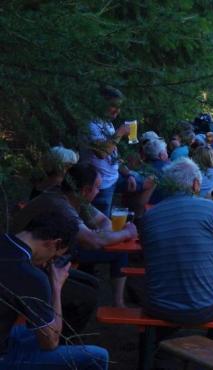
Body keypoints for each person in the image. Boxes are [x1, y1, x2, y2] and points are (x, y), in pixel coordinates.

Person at [13, 163, 137, 309]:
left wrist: (98, 235)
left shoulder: (74, 197)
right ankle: (63, 324)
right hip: (28, 264)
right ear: (86, 190)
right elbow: (93, 241)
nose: (98, 191)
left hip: (57, 251)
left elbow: (104, 222)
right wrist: (127, 232)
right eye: (97, 187)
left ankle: (118, 303)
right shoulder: (59, 204)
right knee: (88, 293)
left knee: (117, 255)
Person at [0, 210, 110, 369]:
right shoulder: (30, 275)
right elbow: (50, 343)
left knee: (37, 330)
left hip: (6, 335)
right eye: (54, 257)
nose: (47, 264)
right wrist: (56, 286)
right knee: (98, 356)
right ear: (55, 243)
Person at [139, 158, 213, 324]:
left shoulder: (149, 216)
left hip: (159, 306)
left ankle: (152, 347)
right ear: (195, 184)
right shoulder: (212, 209)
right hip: (206, 307)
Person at [80, 86, 131, 217]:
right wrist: (120, 133)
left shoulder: (107, 123)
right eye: (114, 106)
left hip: (113, 178)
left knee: (148, 180)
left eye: (119, 107)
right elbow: (101, 153)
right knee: (101, 226)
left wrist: (128, 173)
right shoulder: (90, 124)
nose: (117, 111)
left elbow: (112, 151)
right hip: (99, 185)